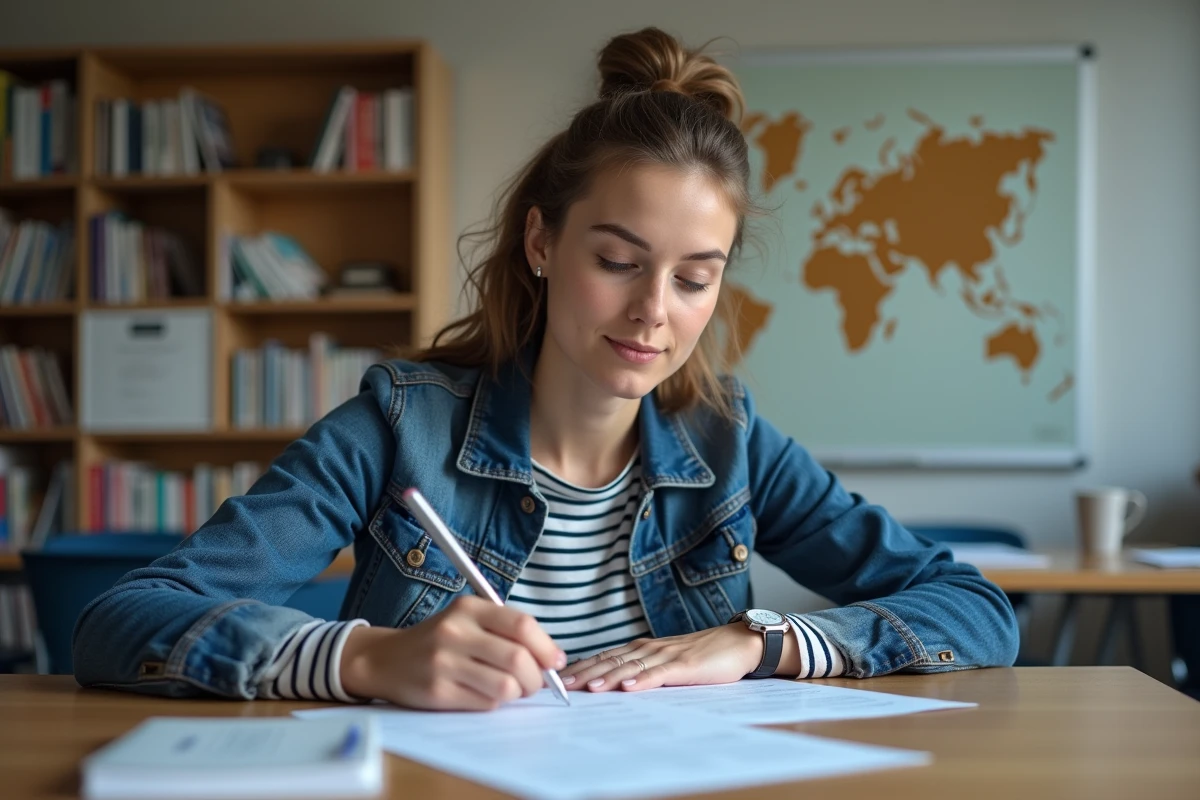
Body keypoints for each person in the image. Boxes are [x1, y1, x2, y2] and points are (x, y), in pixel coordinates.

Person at [74, 27, 1018, 710]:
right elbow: (122, 620)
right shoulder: (401, 428)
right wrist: (360, 660)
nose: (655, 311)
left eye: (695, 279)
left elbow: (976, 611)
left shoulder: (732, 444)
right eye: (617, 261)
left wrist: (761, 643)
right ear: (541, 242)